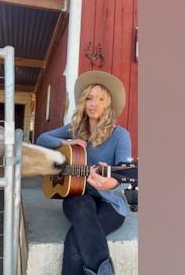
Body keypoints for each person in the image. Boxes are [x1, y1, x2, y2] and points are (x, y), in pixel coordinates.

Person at [36, 70, 133, 275]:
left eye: (100, 99)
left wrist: (112, 183)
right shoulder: (74, 129)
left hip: (110, 203)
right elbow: (41, 140)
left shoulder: (120, 135)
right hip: (77, 195)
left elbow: (126, 172)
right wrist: (66, 142)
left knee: (74, 240)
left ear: (108, 104)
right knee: (81, 206)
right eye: (89, 98)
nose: (93, 103)